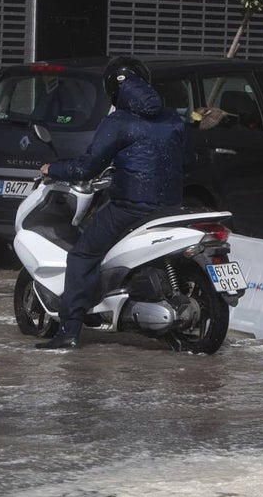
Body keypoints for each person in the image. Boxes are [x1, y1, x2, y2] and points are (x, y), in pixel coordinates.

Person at [36, 56, 187, 350]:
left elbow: (86, 168)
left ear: (113, 90)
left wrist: (53, 168)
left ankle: (68, 331)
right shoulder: (172, 119)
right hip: (171, 208)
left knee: (82, 255)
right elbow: (188, 160)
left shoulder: (118, 122)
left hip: (131, 208)